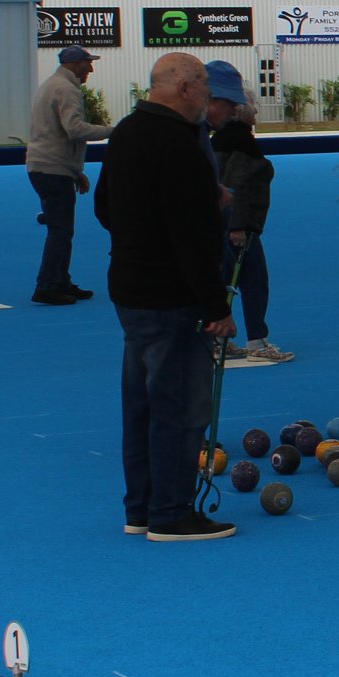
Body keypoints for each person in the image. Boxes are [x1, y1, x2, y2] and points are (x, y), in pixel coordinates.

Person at [96, 53, 236, 542]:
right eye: (202, 86)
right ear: (183, 88)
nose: (206, 96)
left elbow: (103, 206)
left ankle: (141, 508)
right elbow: (193, 238)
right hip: (171, 298)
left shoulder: (127, 131)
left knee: (141, 406)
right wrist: (217, 308)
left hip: (129, 290)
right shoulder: (180, 144)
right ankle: (172, 513)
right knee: (178, 408)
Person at [205, 60, 288, 363]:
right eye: (253, 106)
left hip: (228, 223)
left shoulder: (221, 140)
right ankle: (257, 340)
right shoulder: (241, 142)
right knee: (253, 279)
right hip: (239, 225)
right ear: (240, 110)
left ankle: (215, 338)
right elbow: (236, 185)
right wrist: (238, 227)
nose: (256, 111)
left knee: (224, 278)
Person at [26, 46, 112, 305]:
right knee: (60, 230)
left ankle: (59, 280)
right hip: (53, 168)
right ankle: (48, 285)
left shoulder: (51, 85)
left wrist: (75, 171)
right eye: (88, 63)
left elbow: (58, 133)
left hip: (45, 166)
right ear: (75, 64)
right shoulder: (68, 89)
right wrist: (114, 131)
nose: (91, 69)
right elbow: (74, 130)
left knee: (60, 229)